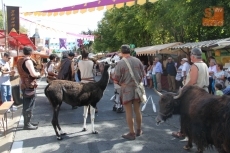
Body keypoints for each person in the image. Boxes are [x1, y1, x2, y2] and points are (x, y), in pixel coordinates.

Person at [172, 48, 209, 139]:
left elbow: (193, 81)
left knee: (185, 113)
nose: (190, 57)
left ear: (193, 56)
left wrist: (183, 88)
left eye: (190, 56)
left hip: (195, 94)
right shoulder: (204, 64)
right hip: (205, 92)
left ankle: (183, 132)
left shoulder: (194, 66)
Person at [114, 44, 145, 140]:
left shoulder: (120, 63)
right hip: (137, 89)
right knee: (137, 110)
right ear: (130, 51)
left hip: (127, 90)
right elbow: (143, 75)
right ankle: (139, 130)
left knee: (129, 112)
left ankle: (132, 133)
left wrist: (122, 84)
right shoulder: (137, 60)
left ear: (121, 52)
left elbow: (115, 80)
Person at [17, 47, 41, 130]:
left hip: (23, 83)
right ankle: (27, 124)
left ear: (23, 52)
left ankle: (28, 122)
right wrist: (38, 74)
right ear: (31, 53)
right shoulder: (28, 61)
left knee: (26, 104)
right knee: (29, 105)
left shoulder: (20, 60)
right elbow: (33, 74)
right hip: (29, 85)